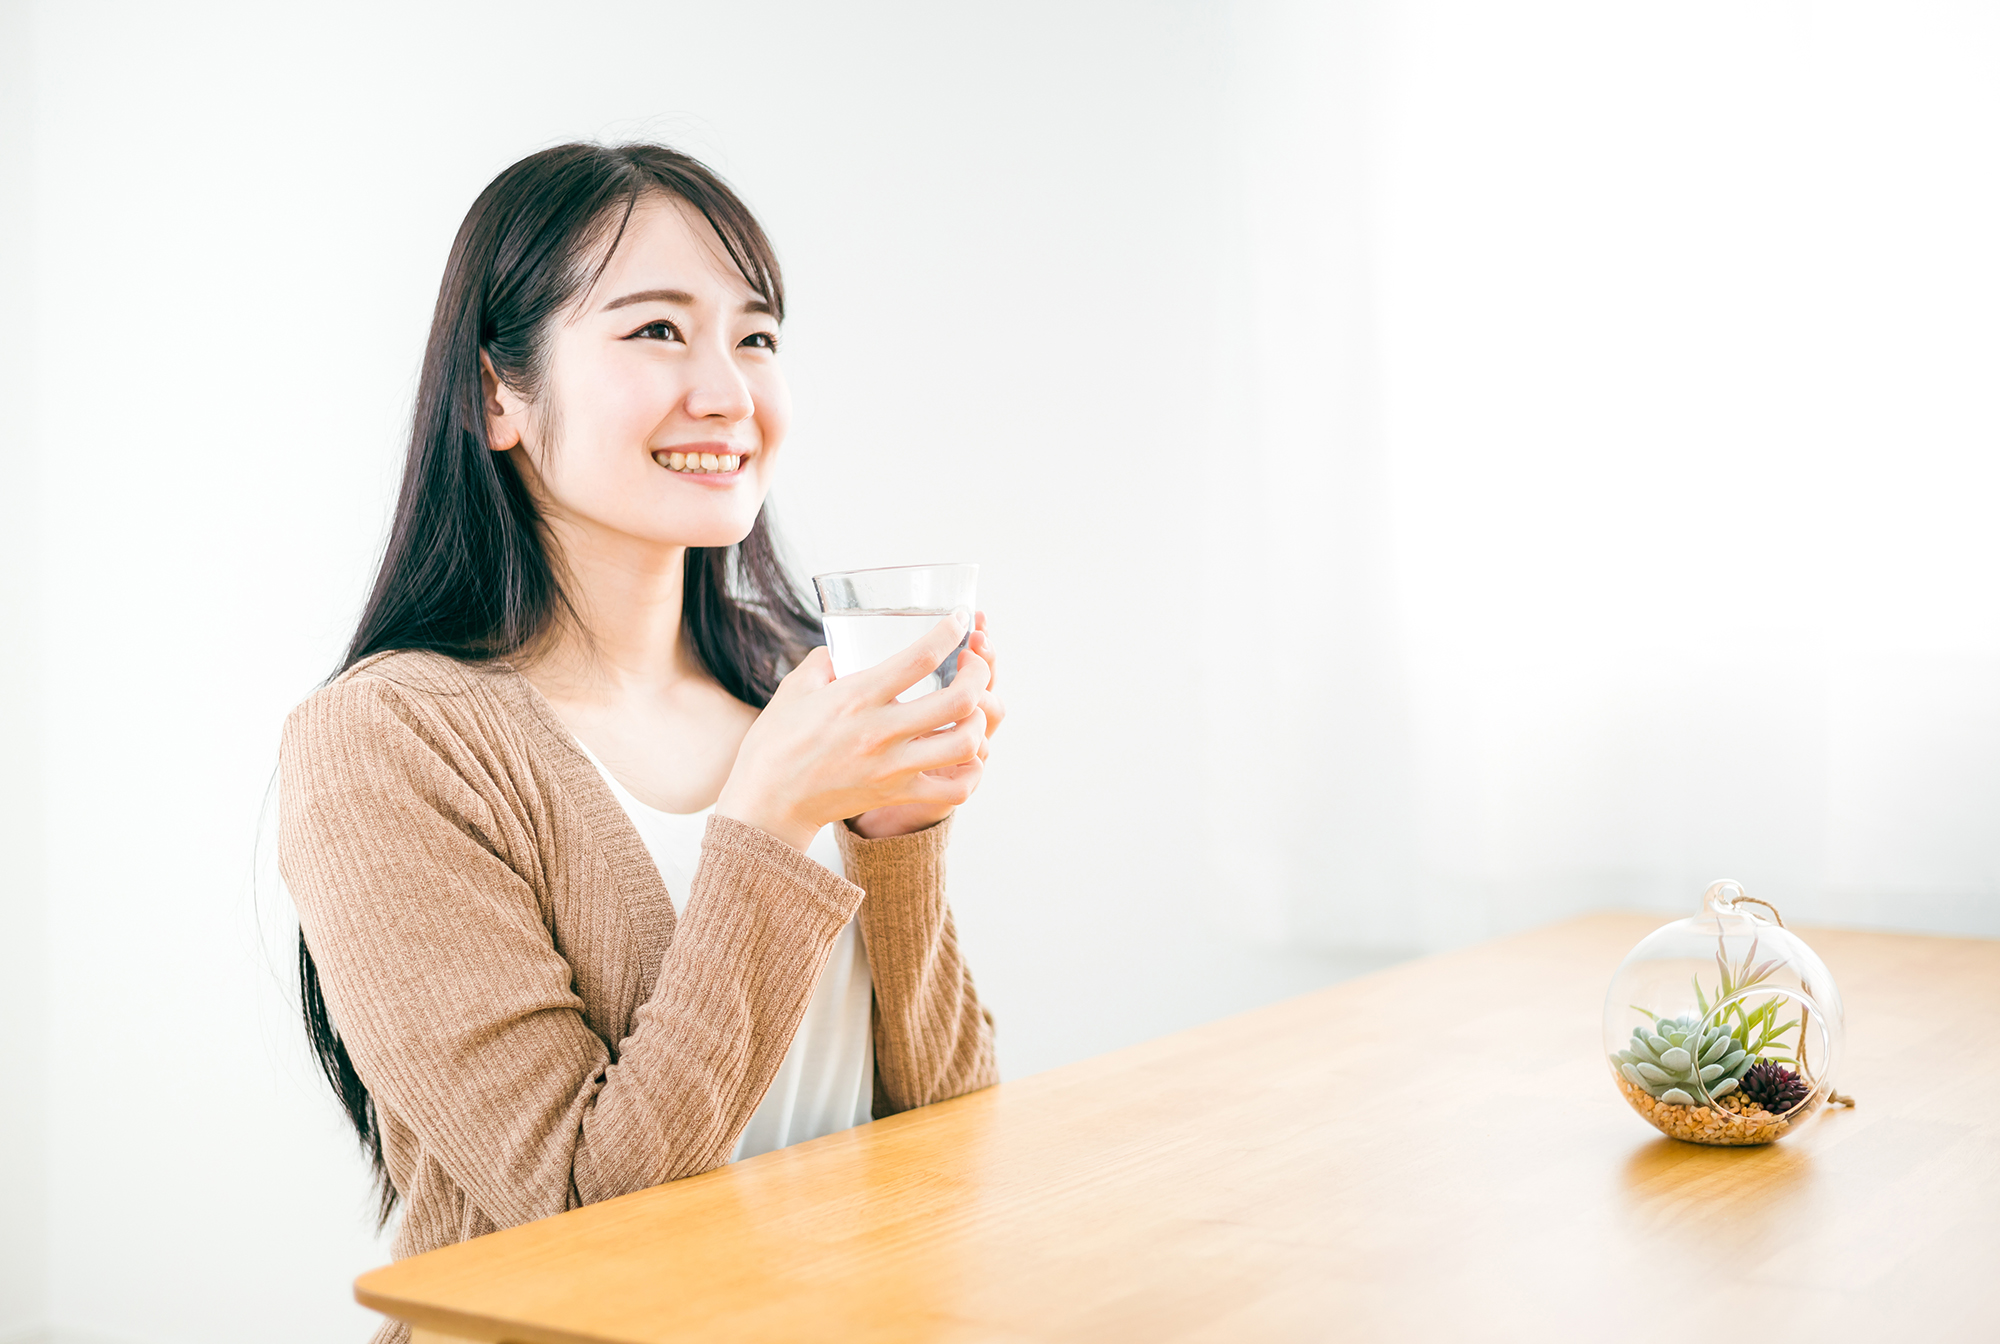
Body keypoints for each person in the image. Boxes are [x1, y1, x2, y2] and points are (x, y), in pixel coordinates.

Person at [279, 143, 1002, 1339]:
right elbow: (576, 1211)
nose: (726, 392)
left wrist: (895, 834)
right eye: (657, 331)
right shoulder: (385, 743)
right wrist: (767, 826)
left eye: (755, 338)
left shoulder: (791, 692)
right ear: (495, 397)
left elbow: (950, 1134)